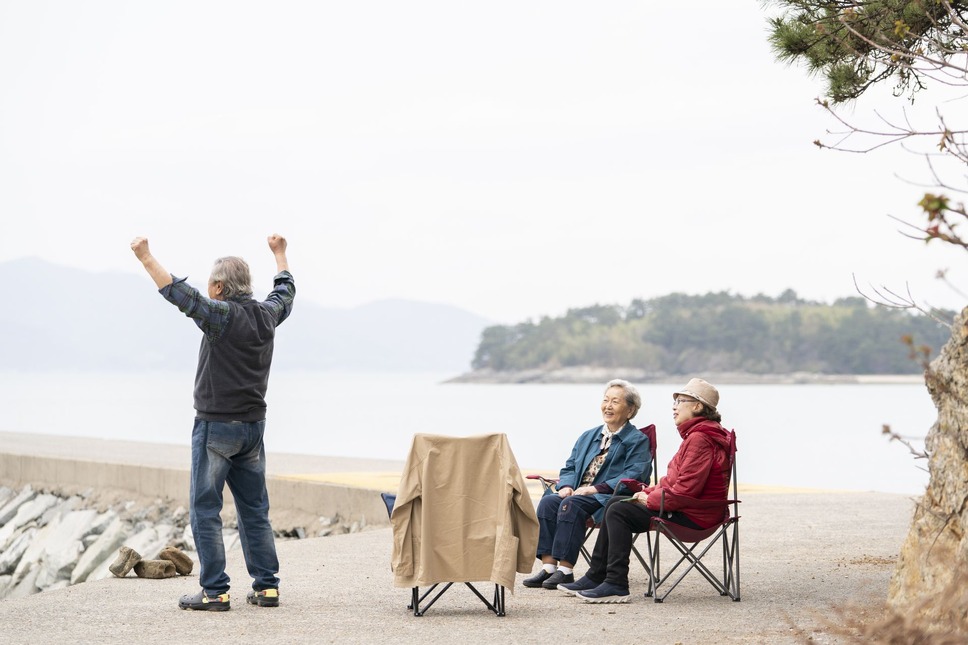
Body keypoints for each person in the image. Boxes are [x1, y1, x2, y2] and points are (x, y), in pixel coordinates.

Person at [130, 234, 295, 612]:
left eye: (210, 283)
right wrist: (280, 254)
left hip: (216, 428)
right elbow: (285, 291)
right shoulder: (266, 316)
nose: (207, 288)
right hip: (254, 430)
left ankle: (215, 591)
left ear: (219, 287)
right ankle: (267, 587)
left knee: (205, 509)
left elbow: (179, 295)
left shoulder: (221, 316)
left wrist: (145, 257)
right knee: (254, 509)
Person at [558, 377, 732, 603]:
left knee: (619, 509)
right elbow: (673, 481)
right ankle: (597, 576)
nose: (674, 406)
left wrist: (648, 500)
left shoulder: (700, 439)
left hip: (695, 515)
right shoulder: (697, 435)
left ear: (697, 406)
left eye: (680, 401)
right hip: (691, 508)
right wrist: (649, 493)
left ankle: (616, 583)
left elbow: (684, 491)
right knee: (617, 502)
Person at [522, 379, 652, 590]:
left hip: (606, 498)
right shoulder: (588, 436)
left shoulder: (637, 440)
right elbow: (570, 466)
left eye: (615, 402)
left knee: (571, 505)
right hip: (577, 493)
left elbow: (636, 473)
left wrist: (595, 488)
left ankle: (565, 571)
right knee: (549, 503)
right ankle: (549, 568)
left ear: (630, 410)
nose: (608, 406)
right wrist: (565, 485)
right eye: (605, 400)